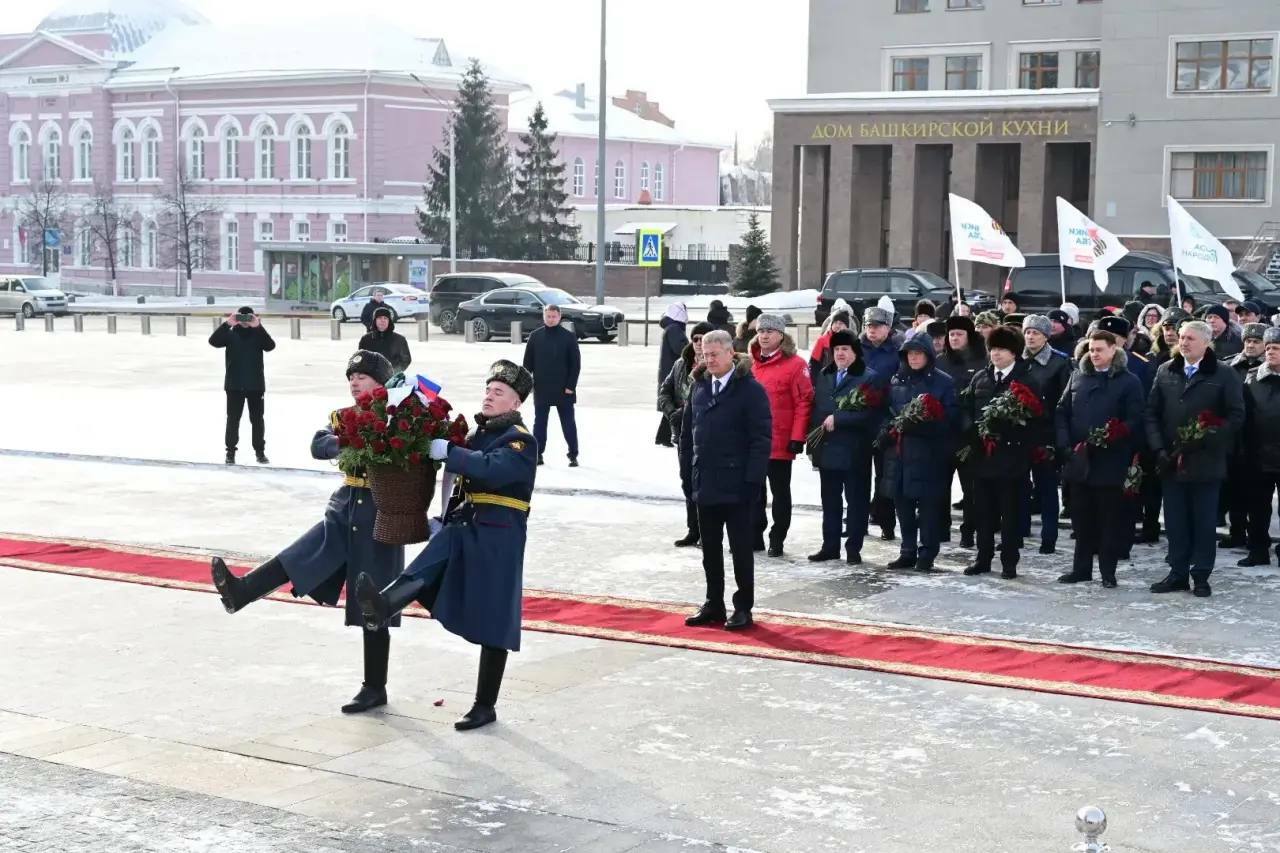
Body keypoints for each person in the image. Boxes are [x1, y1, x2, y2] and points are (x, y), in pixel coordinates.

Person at [209, 350, 404, 713]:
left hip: (381, 510)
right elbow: (319, 444)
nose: (354, 382)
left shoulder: (400, 416)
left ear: (381, 382)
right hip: (347, 505)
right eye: (351, 377)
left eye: (362, 377)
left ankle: (374, 687)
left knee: (372, 597)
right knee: (302, 554)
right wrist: (347, 441)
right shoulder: (344, 417)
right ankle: (240, 592)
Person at [355, 359, 538, 731]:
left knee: (496, 618)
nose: (489, 395)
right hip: (467, 526)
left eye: (499, 392)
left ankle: (484, 705)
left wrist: (450, 452)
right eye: (488, 389)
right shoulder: (479, 435)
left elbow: (491, 469)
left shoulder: (520, 440)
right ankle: (384, 602)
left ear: (515, 404)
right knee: (437, 553)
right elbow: (461, 476)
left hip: (499, 536)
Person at [1145, 320, 1246, 598]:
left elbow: (1236, 415)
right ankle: (1177, 573)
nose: (1183, 342)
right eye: (1181, 337)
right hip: (1172, 461)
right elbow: (1152, 412)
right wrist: (1159, 449)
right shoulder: (1167, 370)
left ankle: (1201, 574)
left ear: (1205, 342)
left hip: (1205, 460)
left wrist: (1207, 437)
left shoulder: (1223, 374)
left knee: (1203, 522)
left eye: (1190, 338)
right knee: (1175, 521)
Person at [681, 330, 772, 631]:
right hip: (704, 481)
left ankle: (743, 606)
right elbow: (686, 436)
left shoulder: (750, 390)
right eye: (705, 355)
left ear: (731, 353)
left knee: (741, 550)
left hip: (738, 485)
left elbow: (761, 439)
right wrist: (687, 474)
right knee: (710, 549)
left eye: (715, 354)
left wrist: (753, 482)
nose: (709, 360)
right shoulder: (699, 387)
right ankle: (714, 603)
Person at [1055, 331, 1145, 587]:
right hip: (1079, 459)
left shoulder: (1129, 382)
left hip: (1110, 460)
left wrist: (1116, 434)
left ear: (1113, 351)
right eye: (1091, 349)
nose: (1094, 354)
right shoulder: (1078, 376)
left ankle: (1108, 571)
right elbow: (1062, 411)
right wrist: (1064, 444)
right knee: (1081, 519)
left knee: (1108, 519)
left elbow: (1135, 418)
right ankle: (1081, 569)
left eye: (1099, 350)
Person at [962, 325, 1041, 579]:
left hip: (1012, 459)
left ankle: (1009, 562)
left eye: (1002, 349)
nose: (996, 354)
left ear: (1014, 352)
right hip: (983, 458)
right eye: (993, 349)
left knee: (1010, 515)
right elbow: (968, 410)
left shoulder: (1026, 379)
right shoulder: (981, 378)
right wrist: (974, 434)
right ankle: (982, 558)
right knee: (983, 512)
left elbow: (1037, 419)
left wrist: (1011, 433)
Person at [807, 330, 886, 564]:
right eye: (837, 349)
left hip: (855, 450)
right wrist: (814, 444)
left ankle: (853, 547)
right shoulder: (825, 374)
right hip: (828, 449)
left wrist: (839, 419)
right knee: (830, 501)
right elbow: (817, 409)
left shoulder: (868, 377)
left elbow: (872, 414)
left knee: (856, 501)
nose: (840, 354)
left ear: (855, 352)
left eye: (845, 349)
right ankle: (830, 545)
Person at [884, 335, 958, 572]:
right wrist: (887, 430)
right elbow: (886, 411)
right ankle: (907, 550)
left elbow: (950, 417)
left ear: (928, 355)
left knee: (927, 508)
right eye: (909, 354)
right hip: (900, 453)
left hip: (929, 454)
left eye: (918, 353)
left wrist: (923, 424)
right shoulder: (897, 379)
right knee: (902, 505)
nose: (914, 358)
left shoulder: (943, 382)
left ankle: (927, 553)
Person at [749, 312, 815, 557]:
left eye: (770, 332)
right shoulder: (751, 364)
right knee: (754, 492)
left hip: (781, 441)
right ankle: (755, 535)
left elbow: (804, 402)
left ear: (781, 335)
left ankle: (778, 538)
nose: (764, 336)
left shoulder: (796, 364)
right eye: (761, 331)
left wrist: (798, 437)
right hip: (754, 441)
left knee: (780, 493)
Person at [658, 321, 713, 547]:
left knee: (706, 485)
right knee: (688, 483)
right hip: (682, 434)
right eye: (696, 338)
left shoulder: (716, 364)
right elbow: (665, 391)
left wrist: (687, 412)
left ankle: (708, 531)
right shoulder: (681, 364)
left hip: (707, 435)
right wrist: (672, 413)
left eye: (703, 338)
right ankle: (694, 529)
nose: (699, 343)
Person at [1020, 315, 1072, 555]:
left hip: (1046, 434)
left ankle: (1048, 537)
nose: (1030, 337)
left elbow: (1064, 403)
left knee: (1047, 487)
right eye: (1028, 332)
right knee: (1019, 485)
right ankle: (1019, 531)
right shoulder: (1018, 360)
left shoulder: (1059, 363)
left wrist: (1058, 438)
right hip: (1020, 433)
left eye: (1036, 333)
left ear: (1046, 336)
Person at [938, 314, 987, 549]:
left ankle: (969, 531)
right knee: (940, 485)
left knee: (971, 489)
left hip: (970, 435)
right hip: (944, 433)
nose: (955, 338)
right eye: (952, 334)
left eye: (959, 334)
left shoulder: (981, 361)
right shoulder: (940, 361)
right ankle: (941, 528)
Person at [1219, 323, 1269, 550]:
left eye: (1256, 341)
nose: (1250, 345)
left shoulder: (1269, 369)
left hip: (1258, 438)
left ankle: (1257, 535)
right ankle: (1236, 531)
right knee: (1233, 488)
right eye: (1248, 341)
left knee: (1255, 493)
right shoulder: (1230, 366)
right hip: (1233, 437)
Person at [210, 306, 275, 465]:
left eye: (248, 317)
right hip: (234, 385)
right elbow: (213, 341)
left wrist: (258, 326)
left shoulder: (258, 334)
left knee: (257, 420)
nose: (245, 321)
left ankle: (260, 452)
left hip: (255, 385)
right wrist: (227, 323)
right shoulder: (230, 334)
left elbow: (270, 346)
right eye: (242, 317)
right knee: (233, 419)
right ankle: (230, 453)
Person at [861, 306, 903, 540]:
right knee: (859, 474)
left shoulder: (897, 350)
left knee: (885, 475)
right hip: (860, 419)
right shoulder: (858, 348)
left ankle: (886, 521)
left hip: (886, 420)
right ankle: (859, 521)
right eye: (868, 326)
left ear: (888, 328)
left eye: (877, 326)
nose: (872, 330)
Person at [522, 303, 581, 467]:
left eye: (554, 316)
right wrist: (527, 385)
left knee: (568, 423)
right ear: (543, 316)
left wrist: (571, 386)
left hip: (564, 389)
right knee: (540, 423)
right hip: (541, 387)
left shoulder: (569, 337)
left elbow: (575, 365)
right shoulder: (535, 336)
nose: (551, 319)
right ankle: (538, 453)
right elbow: (527, 364)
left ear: (559, 317)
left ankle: (573, 454)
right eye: (548, 316)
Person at [1241, 327, 1280, 566]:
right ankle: (1257, 550)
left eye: (1276, 348)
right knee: (1257, 508)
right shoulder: (1252, 377)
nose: (1270, 352)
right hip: (1258, 454)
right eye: (1268, 348)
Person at [655, 303, 689, 447]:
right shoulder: (675, 329)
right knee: (673, 404)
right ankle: (667, 436)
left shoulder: (670, 328)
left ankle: (663, 436)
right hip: (673, 371)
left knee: (671, 404)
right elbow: (680, 349)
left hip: (668, 370)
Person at [357, 306, 412, 373]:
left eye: (385, 318)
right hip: (372, 378)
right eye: (379, 318)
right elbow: (360, 359)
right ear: (375, 320)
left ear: (389, 321)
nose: (382, 320)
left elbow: (406, 360)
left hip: (392, 377)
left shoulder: (400, 339)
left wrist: (393, 372)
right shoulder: (365, 339)